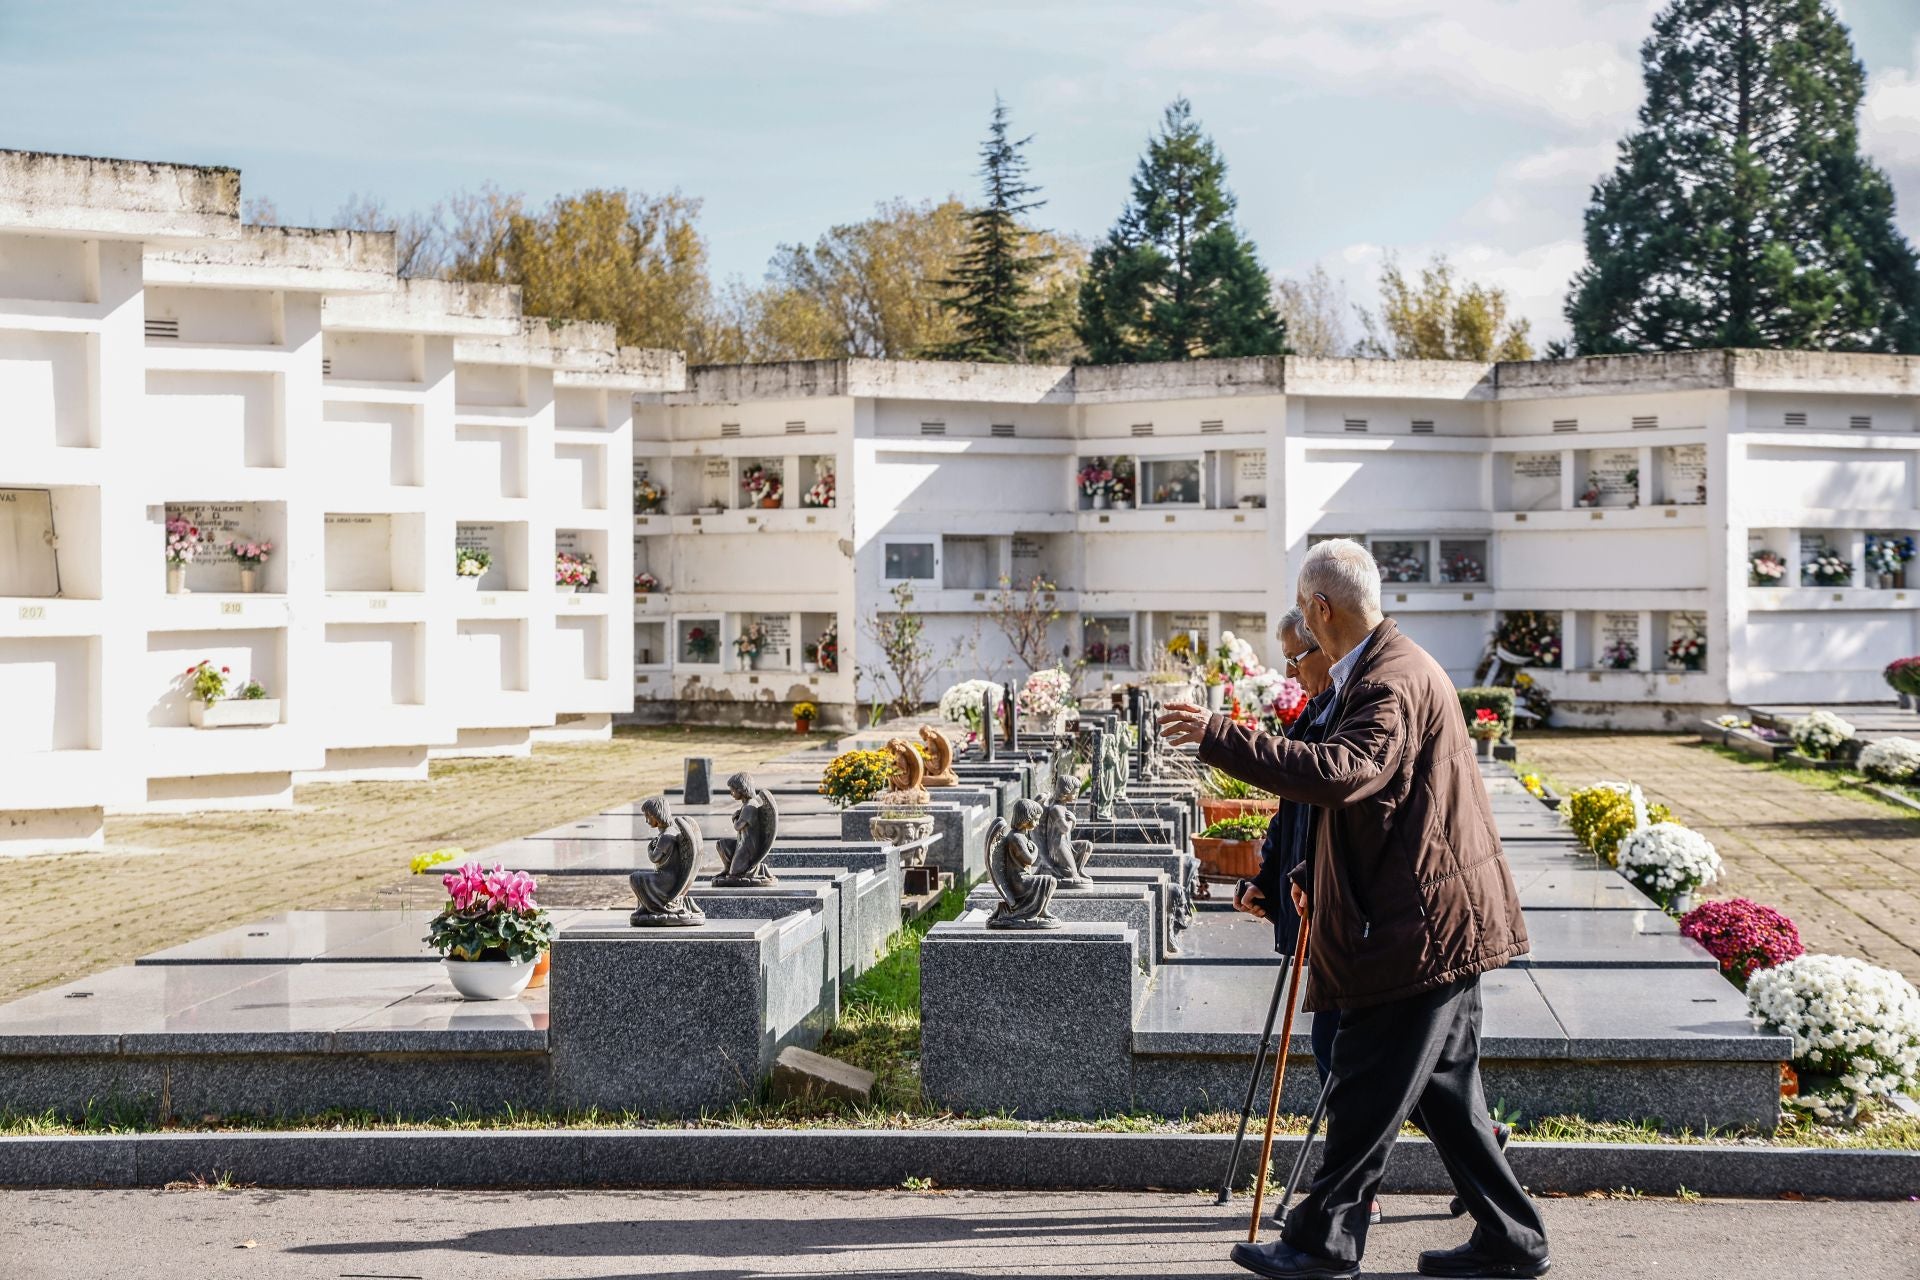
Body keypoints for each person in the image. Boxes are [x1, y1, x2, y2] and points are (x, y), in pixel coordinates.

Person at [1162, 538, 1549, 1280]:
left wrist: (1221, 736)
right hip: (1427, 915)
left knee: (1365, 1083)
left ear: (1320, 607)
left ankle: (1322, 1242)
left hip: (1417, 927)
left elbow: (1344, 773)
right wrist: (1308, 868)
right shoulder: (1381, 669)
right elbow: (1383, 805)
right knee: (1445, 1095)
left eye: (1304, 612)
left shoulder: (1387, 680)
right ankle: (1511, 1239)